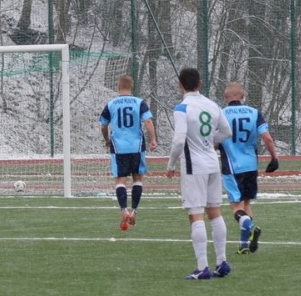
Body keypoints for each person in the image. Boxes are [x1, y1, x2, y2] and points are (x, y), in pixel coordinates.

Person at [165, 67, 233, 280]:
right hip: (213, 163)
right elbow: (227, 131)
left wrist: (170, 164)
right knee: (215, 211)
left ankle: (203, 267)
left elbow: (179, 140)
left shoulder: (182, 108)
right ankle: (222, 262)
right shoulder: (213, 105)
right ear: (200, 84)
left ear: (180, 85)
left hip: (194, 167)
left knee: (196, 213)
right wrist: (211, 142)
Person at [220, 81, 280, 254]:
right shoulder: (254, 113)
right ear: (242, 96)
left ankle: (249, 225)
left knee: (236, 206)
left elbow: (215, 140)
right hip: (251, 165)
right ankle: (244, 244)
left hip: (232, 166)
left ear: (226, 96)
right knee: (246, 203)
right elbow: (267, 138)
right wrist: (274, 157)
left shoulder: (221, 114)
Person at [99, 74, 158, 230]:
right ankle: (134, 211)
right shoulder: (139, 102)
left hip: (119, 147)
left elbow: (104, 126)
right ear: (132, 87)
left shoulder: (111, 104)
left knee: (120, 180)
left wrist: (106, 139)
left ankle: (124, 210)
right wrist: (153, 139)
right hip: (136, 146)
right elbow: (148, 121)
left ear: (118, 87)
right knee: (137, 179)